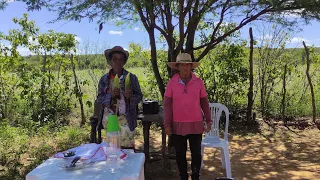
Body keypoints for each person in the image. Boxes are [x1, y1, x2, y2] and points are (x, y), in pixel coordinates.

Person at [164, 53, 212, 180]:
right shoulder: (172, 83)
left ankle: (195, 175)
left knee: (196, 153)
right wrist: (167, 124)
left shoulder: (198, 82)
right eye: (182, 65)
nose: (185, 68)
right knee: (180, 154)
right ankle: (183, 177)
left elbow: (204, 102)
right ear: (178, 67)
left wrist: (209, 120)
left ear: (191, 66)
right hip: (178, 125)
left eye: (187, 65)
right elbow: (167, 105)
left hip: (196, 124)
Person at [96, 46, 143, 149]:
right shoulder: (104, 79)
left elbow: (139, 96)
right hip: (110, 118)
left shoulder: (131, 78)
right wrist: (111, 95)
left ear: (124, 62)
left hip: (126, 117)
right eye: (114, 59)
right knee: (112, 148)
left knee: (127, 148)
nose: (117, 62)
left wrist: (130, 97)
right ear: (110, 61)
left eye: (120, 59)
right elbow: (99, 98)